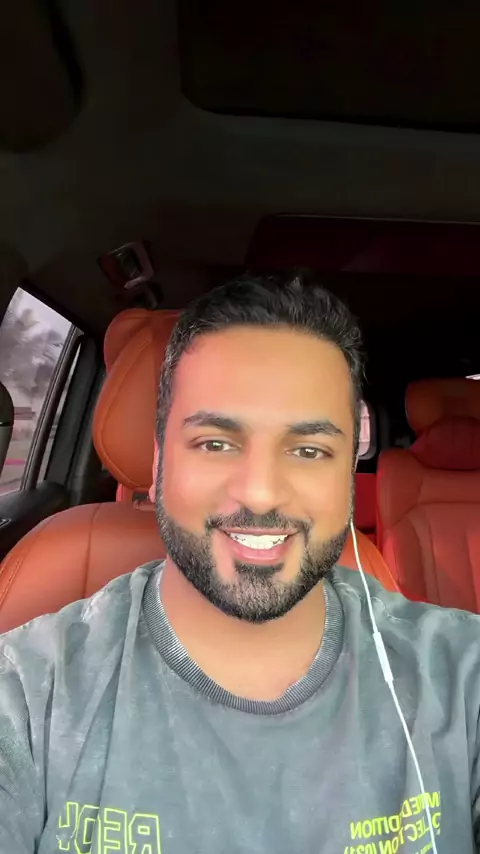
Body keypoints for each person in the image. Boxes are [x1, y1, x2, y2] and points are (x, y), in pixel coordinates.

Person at [0, 272, 479, 854]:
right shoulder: (27, 694)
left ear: (349, 476)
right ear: (159, 462)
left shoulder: (461, 678)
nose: (260, 493)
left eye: (309, 450)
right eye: (216, 443)